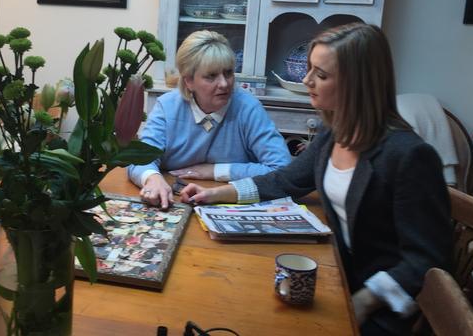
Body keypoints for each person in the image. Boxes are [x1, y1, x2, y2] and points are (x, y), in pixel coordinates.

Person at [180, 23, 451, 335]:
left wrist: (363, 301)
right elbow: (284, 180)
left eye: (321, 75)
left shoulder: (409, 157)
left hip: (384, 311)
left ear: (357, 84)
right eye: (310, 69)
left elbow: (429, 261)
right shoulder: (333, 135)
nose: (307, 80)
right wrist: (215, 195)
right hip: (341, 281)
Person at [128, 30, 291, 208]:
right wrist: (153, 178)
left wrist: (215, 171)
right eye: (211, 76)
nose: (224, 83)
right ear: (189, 81)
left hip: (228, 201)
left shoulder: (248, 108)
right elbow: (138, 158)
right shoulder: (167, 107)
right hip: (178, 200)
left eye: (228, 73)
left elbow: (282, 169)